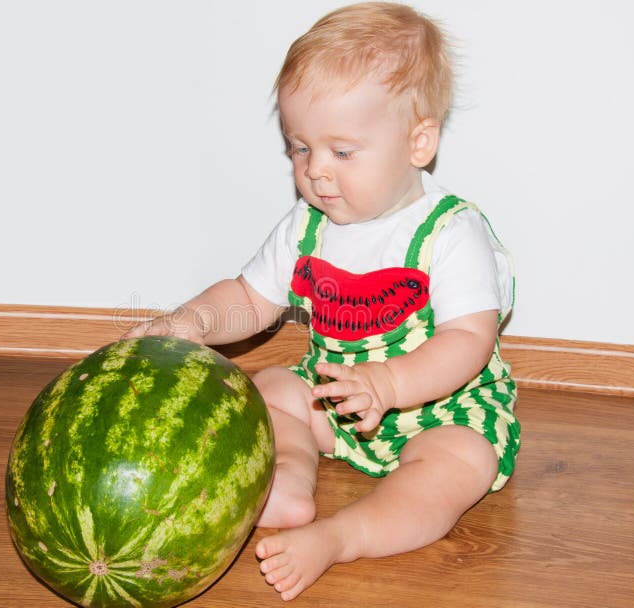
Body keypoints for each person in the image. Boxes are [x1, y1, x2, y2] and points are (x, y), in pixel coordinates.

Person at [123, 1, 520, 601]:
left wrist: (386, 385)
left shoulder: (448, 232)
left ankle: (342, 536)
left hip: (442, 410)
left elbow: (468, 339)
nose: (316, 173)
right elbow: (248, 298)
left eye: (342, 151)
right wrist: (189, 324)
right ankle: (288, 478)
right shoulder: (306, 227)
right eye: (299, 148)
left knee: (457, 465)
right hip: (336, 396)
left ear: (419, 143)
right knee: (272, 389)